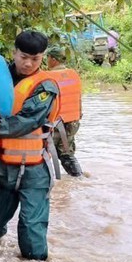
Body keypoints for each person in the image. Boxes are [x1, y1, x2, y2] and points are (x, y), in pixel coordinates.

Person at [0, 30, 61, 260]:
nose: (28, 63)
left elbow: (27, 121)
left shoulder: (45, 86)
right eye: (23, 56)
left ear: (42, 57)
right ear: (13, 52)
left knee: (33, 240)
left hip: (34, 169)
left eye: (35, 59)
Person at [46, 45, 84, 177]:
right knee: (66, 154)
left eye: (48, 57)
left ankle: (46, 184)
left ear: (54, 59)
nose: (47, 60)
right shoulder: (74, 74)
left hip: (56, 123)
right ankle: (79, 179)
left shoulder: (47, 77)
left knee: (44, 154)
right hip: (73, 122)